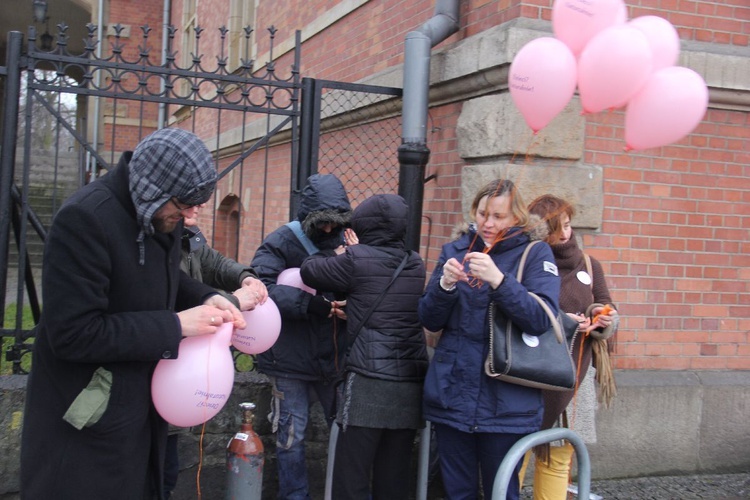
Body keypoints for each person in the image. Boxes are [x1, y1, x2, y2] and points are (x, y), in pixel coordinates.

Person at [20, 128, 246, 500]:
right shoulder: (84, 219)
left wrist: (206, 296)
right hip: (85, 426)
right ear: (150, 188)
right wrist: (176, 325)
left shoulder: (159, 216)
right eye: (184, 203)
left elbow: (163, 279)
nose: (191, 215)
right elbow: (73, 334)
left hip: (139, 412)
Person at [418, 178, 560, 500]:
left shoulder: (535, 253)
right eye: (483, 213)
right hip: (452, 394)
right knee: (457, 491)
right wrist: (444, 287)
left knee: (502, 491)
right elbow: (428, 318)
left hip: (507, 399)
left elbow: (540, 320)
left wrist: (499, 280)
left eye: (499, 216)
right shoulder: (454, 249)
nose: (489, 223)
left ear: (517, 217)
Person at [300, 193, 428, 500]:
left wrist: (345, 251)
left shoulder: (355, 260)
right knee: (394, 476)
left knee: (352, 474)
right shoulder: (415, 262)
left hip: (368, 383)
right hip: (409, 383)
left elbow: (309, 269)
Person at [250, 173, 352, 500]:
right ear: (306, 216)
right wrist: (310, 305)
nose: (326, 230)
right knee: (290, 436)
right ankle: (294, 496)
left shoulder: (350, 240)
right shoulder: (281, 241)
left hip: (334, 357)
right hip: (289, 359)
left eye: (333, 224)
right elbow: (260, 287)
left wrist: (359, 261)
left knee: (350, 432)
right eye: (320, 223)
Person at [163, 204, 269, 498]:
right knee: (156, 470)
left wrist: (245, 276)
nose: (200, 205)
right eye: (190, 199)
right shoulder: (160, 244)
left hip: (178, 375)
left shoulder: (189, 237)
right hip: (162, 372)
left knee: (167, 470)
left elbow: (215, 264)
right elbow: (181, 308)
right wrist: (234, 300)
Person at [519, 194, 619, 500]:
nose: (565, 234)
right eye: (556, 228)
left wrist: (601, 319)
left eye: (567, 225)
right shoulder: (526, 262)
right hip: (528, 377)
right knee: (515, 454)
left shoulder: (589, 264)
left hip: (573, 377)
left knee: (558, 457)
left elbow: (606, 306)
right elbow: (520, 310)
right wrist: (560, 321)